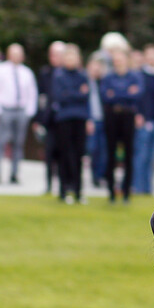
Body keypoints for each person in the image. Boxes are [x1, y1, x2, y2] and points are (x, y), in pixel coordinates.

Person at [100, 48, 143, 203]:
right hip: (112, 116)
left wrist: (117, 93)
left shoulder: (134, 76)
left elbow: (138, 94)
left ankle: (126, 192)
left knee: (128, 154)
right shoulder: (108, 77)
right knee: (110, 153)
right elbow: (105, 96)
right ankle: (111, 191)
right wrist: (126, 92)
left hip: (127, 116)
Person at [52, 44, 90, 204]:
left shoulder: (83, 76)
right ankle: (64, 189)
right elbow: (60, 97)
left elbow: (85, 96)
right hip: (64, 119)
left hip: (80, 118)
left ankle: (78, 190)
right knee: (65, 154)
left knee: (78, 155)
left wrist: (71, 93)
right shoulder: (59, 75)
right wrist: (77, 93)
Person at [0, 44, 39, 185]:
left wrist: (29, 112)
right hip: (6, 110)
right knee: (2, 142)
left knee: (18, 144)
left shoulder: (27, 72)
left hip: (21, 111)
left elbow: (32, 93)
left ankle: (14, 174)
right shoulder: (2, 70)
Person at [132, 44, 154, 195]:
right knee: (141, 155)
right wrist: (138, 114)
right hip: (143, 121)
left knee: (151, 157)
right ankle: (138, 187)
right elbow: (137, 98)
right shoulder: (139, 75)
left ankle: (148, 189)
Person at [34, 41, 65, 192]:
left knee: (64, 154)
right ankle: (48, 185)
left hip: (64, 118)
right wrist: (38, 119)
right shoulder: (45, 73)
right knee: (49, 152)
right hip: (49, 119)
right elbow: (41, 97)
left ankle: (63, 186)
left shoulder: (67, 73)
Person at [85, 54, 108, 186]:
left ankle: (100, 176)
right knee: (93, 149)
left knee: (103, 149)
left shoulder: (102, 83)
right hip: (92, 119)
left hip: (103, 120)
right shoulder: (85, 82)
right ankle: (94, 176)